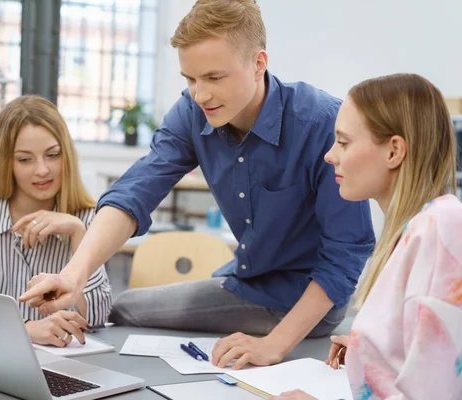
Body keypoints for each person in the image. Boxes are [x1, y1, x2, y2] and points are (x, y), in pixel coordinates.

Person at [20, 0, 375, 368]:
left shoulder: (320, 123)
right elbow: (135, 190)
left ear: (258, 63)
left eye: (214, 78)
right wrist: (74, 276)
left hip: (306, 301)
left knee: (125, 308)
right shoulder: (192, 112)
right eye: (190, 79)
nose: (200, 94)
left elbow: (346, 253)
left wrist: (274, 345)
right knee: (127, 307)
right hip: (244, 280)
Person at [270, 74, 462, 399]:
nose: (330, 155)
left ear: (394, 151)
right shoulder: (416, 229)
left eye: (343, 142)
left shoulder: (441, 226)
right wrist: (370, 351)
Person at [0, 95, 112, 348]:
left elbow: (99, 318)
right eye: (25, 159)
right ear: (8, 163)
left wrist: (78, 233)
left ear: (66, 155)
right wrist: (24, 329)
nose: (42, 170)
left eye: (52, 155)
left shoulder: (86, 217)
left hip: (65, 365)